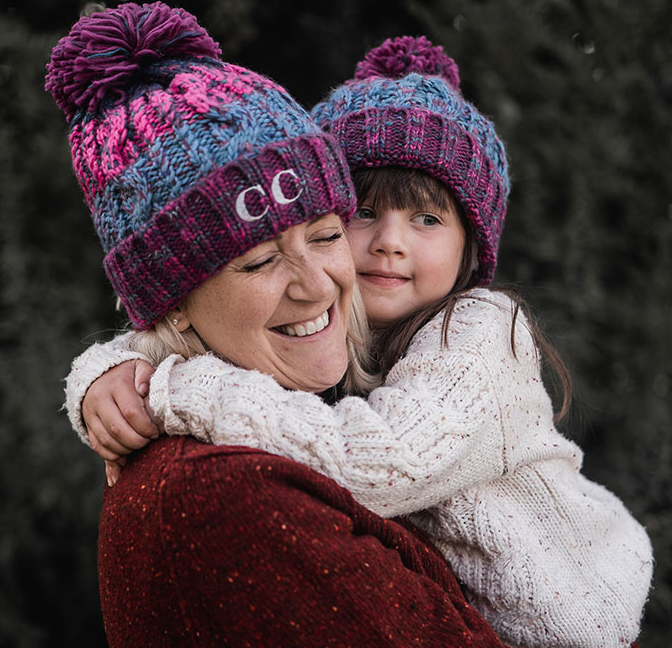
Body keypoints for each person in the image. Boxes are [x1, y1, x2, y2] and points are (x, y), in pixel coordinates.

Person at [67, 34, 653, 647]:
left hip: (573, 618)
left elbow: (378, 462)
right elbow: (154, 340)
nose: (389, 242)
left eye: (427, 219)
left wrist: (172, 390)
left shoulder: (477, 333)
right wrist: (104, 379)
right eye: (362, 214)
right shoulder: (330, 338)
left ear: (470, 250)